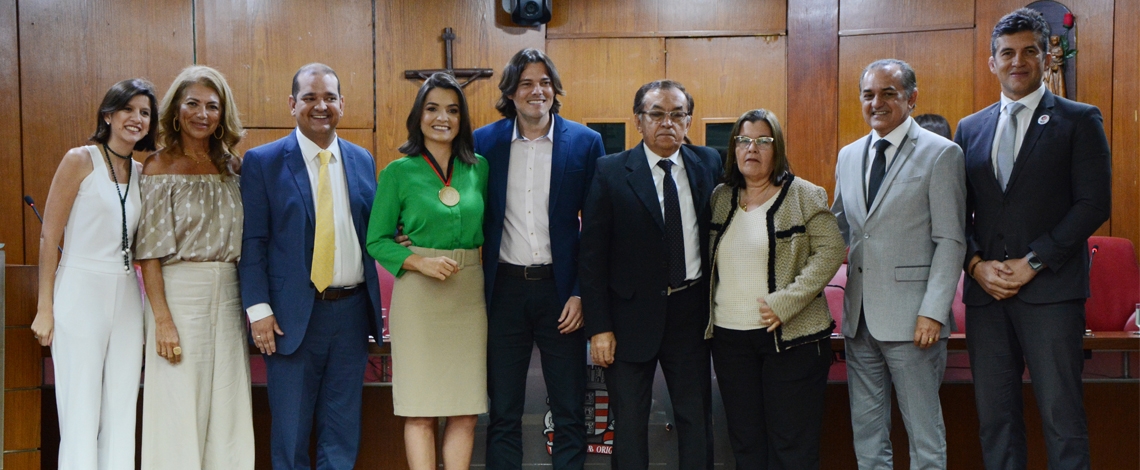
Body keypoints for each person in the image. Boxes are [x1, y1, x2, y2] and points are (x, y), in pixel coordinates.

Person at [954, 8, 1111, 469]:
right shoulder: (971, 128)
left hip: (1051, 295)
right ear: (992, 62)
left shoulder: (1079, 120)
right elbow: (954, 214)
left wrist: (1034, 262)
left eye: (1028, 52)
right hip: (986, 297)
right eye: (1007, 53)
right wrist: (975, 264)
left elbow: (1093, 205)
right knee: (995, 421)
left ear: (1046, 58)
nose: (1016, 61)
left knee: (1062, 419)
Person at [239, 63, 384, 470]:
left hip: (352, 313)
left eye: (329, 98)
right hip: (289, 318)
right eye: (309, 97)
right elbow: (252, 243)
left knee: (341, 434)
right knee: (291, 434)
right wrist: (259, 310)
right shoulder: (263, 162)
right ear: (292, 104)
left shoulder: (361, 158)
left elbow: (371, 230)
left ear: (342, 104)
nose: (320, 106)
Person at [830, 59, 966, 469]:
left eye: (889, 93)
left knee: (924, 434)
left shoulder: (942, 153)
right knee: (868, 434)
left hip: (915, 321)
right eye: (869, 94)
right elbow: (838, 229)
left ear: (911, 98)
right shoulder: (850, 155)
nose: (878, 102)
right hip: (859, 319)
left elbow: (951, 240)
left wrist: (933, 310)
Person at [579, 79, 721, 470]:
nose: (667, 123)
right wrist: (599, 327)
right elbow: (591, 258)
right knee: (629, 424)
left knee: (695, 420)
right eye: (656, 114)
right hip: (627, 320)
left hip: (690, 314)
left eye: (677, 114)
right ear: (638, 121)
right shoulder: (610, 171)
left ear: (688, 120)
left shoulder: (708, 162)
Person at [476, 48, 604, 470]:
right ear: (510, 92)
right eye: (527, 83)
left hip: (561, 292)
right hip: (504, 292)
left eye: (545, 82)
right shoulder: (483, 144)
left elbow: (597, 229)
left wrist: (581, 293)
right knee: (503, 412)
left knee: (569, 409)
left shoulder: (585, 143)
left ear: (556, 90)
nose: (537, 91)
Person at [706, 109, 845, 469]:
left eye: (763, 141)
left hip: (791, 340)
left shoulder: (804, 195)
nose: (752, 149)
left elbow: (830, 251)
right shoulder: (720, 197)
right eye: (744, 140)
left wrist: (788, 301)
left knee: (791, 447)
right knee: (746, 445)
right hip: (730, 340)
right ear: (734, 149)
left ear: (777, 147)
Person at [30, 78, 158, 469]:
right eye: (129, 109)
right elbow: (50, 235)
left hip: (124, 294)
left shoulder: (142, 172)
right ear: (108, 114)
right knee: (81, 409)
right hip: (80, 289)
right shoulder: (79, 159)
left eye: (145, 113)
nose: (136, 118)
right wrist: (45, 307)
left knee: (122, 407)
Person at [366, 72, 488, 470]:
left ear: (462, 118)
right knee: (420, 410)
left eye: (453, 110)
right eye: (432, 108)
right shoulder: (397, 172)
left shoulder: (479, 168)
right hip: (419, 294)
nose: (443, 117)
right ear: (418, 115)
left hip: (468, 294)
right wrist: (419, 260)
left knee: (465, 408)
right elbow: (378, 240)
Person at [134, 65, 253, 469]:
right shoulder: (157, 167)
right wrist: (162, 319)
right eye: (193, 104)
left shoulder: (233, 169)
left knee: (228, 405)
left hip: (229, 293)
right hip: (178, 296)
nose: (202, 114)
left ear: (223, 114)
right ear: (176, 110)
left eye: (212, 106)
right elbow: (148, 252)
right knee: (177, 406)